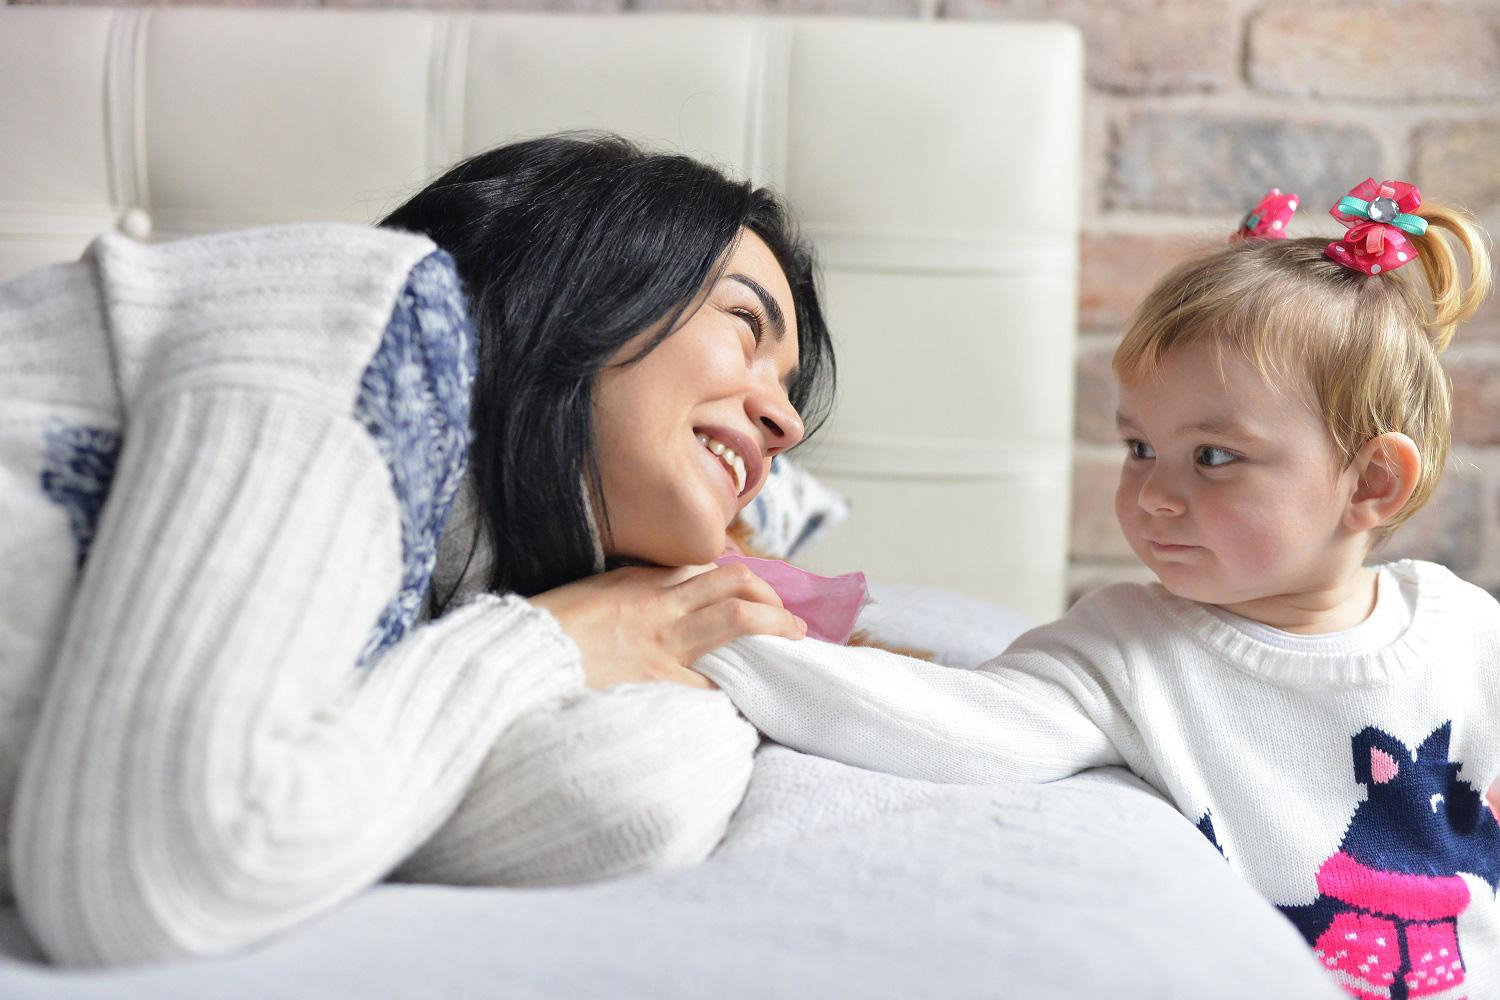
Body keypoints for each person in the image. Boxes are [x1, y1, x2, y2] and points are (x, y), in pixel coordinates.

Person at [0, 133, 833, 966]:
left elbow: (626, 792)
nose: (787, 423)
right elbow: (155, 877)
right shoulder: (364, 325)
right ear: (591, 277)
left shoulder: (459, 580)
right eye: (744, 323)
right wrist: (548, 643)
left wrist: (664, 653)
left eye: (788, 391)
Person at [691, 180, 1500, 999]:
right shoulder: (1129, 649)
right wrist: (716, 632)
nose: (1154, 495)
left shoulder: (1466, 631)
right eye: (1139, 448)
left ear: (1372, 482)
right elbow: (949, 724)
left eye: (1214, 457)